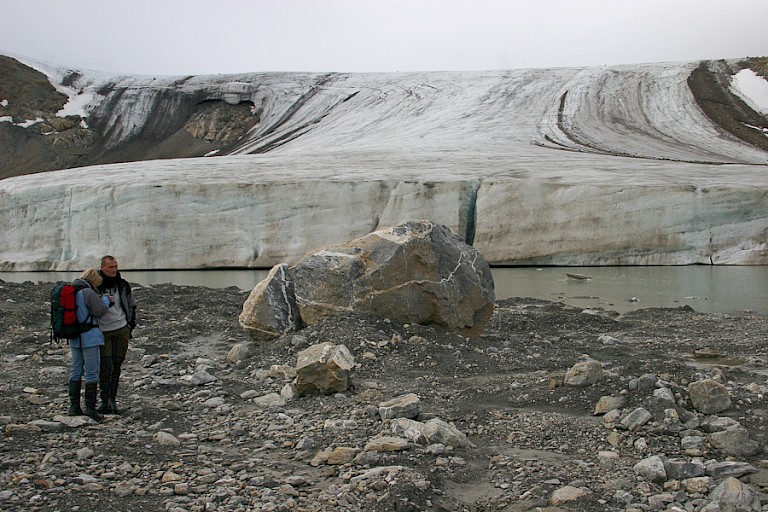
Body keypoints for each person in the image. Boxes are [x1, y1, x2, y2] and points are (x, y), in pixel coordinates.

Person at [68, 268, 111, 421]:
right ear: (93, 281)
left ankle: (74, 407)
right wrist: (106, 300)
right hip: (90, 337)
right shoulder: (88, 293)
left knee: (76, 370)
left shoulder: (71, 291)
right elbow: (98, 311)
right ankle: (90, 408)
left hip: (74, 336)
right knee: (92, 372)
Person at [96, 255, 137, 414]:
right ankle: (104, 400)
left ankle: (112, 400)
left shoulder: (122, 285)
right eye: (110, 267)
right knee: (106, 367)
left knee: (117, 365)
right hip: (103, 332)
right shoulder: (96, 286)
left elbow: (131, 304)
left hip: (121, 330)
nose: (113, 270)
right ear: (102, 267)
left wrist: (129, 324)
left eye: (115, 267)